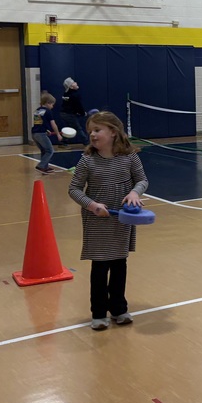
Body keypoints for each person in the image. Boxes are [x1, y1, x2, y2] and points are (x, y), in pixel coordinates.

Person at [68, 110, 148, 330]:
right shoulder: (87, 161)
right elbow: (74, 189)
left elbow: (142, 180)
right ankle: (99, 313)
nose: (92, 135)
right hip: (97, 221)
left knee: (119, 264)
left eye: (97, 130)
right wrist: (92, 205)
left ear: (113, 132)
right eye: (90, 131)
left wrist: (134, 193)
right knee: (100, 266)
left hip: (121, 219)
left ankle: (119, 308)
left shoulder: (129, 156)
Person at [31, 91, 62, 174]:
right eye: (52, 104)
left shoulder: (37, 110)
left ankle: (45, 167)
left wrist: (46, 130)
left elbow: (39, 123)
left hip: (34, 133)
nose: (52, 106)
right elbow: (53, 124)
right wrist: (58, 134)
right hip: (41, 134)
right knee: (50, 150)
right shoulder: (48, 111)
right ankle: (41, 166)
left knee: (44, 151)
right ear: (48, 103)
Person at [59, 77, 89, 146]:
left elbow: (71, 105)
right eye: (73, 82)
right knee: (78, 128)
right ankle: (87, 143)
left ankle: (63, 142)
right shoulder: (75, 95)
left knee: (69, 128)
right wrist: (82, 113)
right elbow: (78, 105)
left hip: (63, 113)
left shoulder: (66, 93)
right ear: (71, 87)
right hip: (69, 114)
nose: (76, 83)